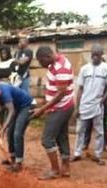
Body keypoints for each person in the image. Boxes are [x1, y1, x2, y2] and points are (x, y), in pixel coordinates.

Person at [32, 46, 75, 180]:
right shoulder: (56, 63)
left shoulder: (60, 67)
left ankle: (55, 170)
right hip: (62, 106)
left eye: (40, 61)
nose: (40, 64)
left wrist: (43, 109)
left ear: (48, 57)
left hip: (61, 107)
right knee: (61, 135)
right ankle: (66, 166)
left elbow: (60, 94)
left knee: (47, 139)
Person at [71, 44, 107, 165]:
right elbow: (80, 88)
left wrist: (103, 99)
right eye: (93, 55)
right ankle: (77, 153)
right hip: (84, 104)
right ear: (91, 54)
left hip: (98, 105)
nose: (95, 57)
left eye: (97, 55)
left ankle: (98, 155)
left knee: (99, 131)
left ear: (102, 55)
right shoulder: (84, 69)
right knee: (80, 130)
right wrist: (77, 107)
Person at [0, 79, 34, 172]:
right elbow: (4, 105)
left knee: (17, 134)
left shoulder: (3, 90)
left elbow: (11, 111)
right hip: (16, 107)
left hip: (25, 106)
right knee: (10, 133)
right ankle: (12, 158)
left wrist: (3, 128)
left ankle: (18, 163)